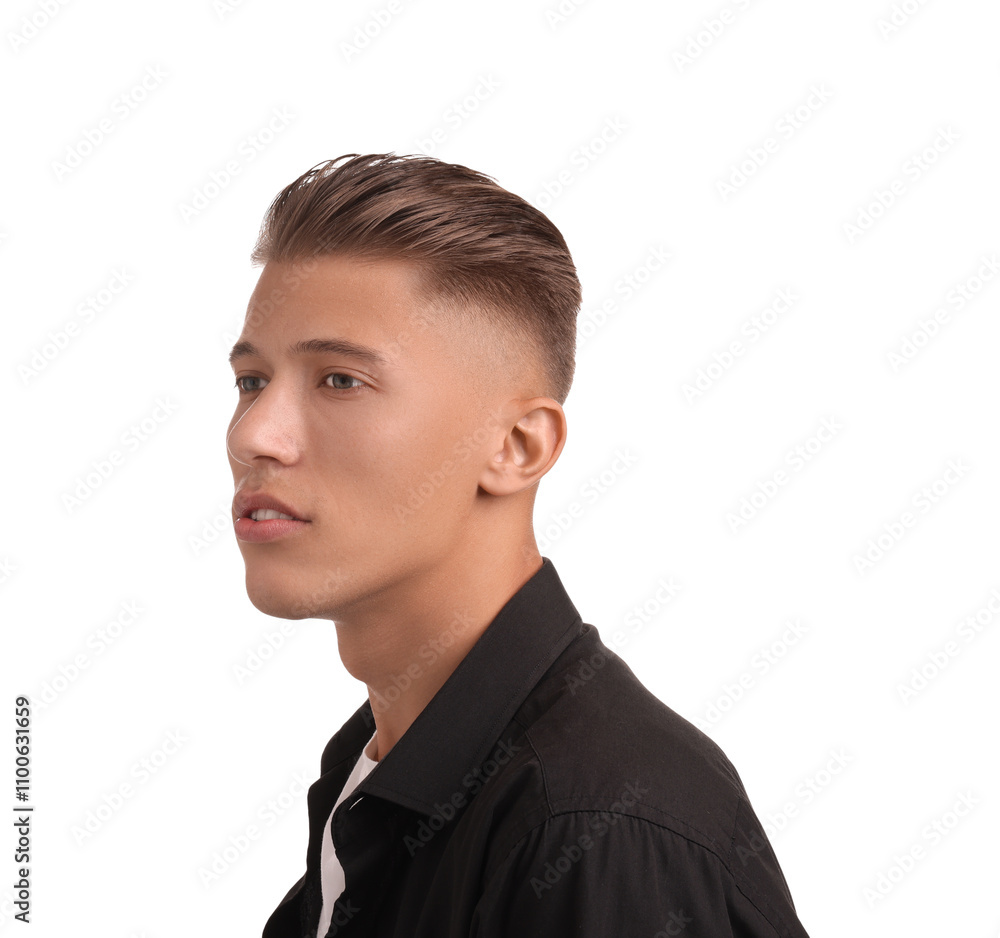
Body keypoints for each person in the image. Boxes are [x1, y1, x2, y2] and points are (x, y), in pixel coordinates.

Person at [226, 153, 811, 937]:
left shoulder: (591, 829)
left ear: (516, 447)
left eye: (339, 380)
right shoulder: (379, 777)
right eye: (251, 381)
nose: (254, 434)